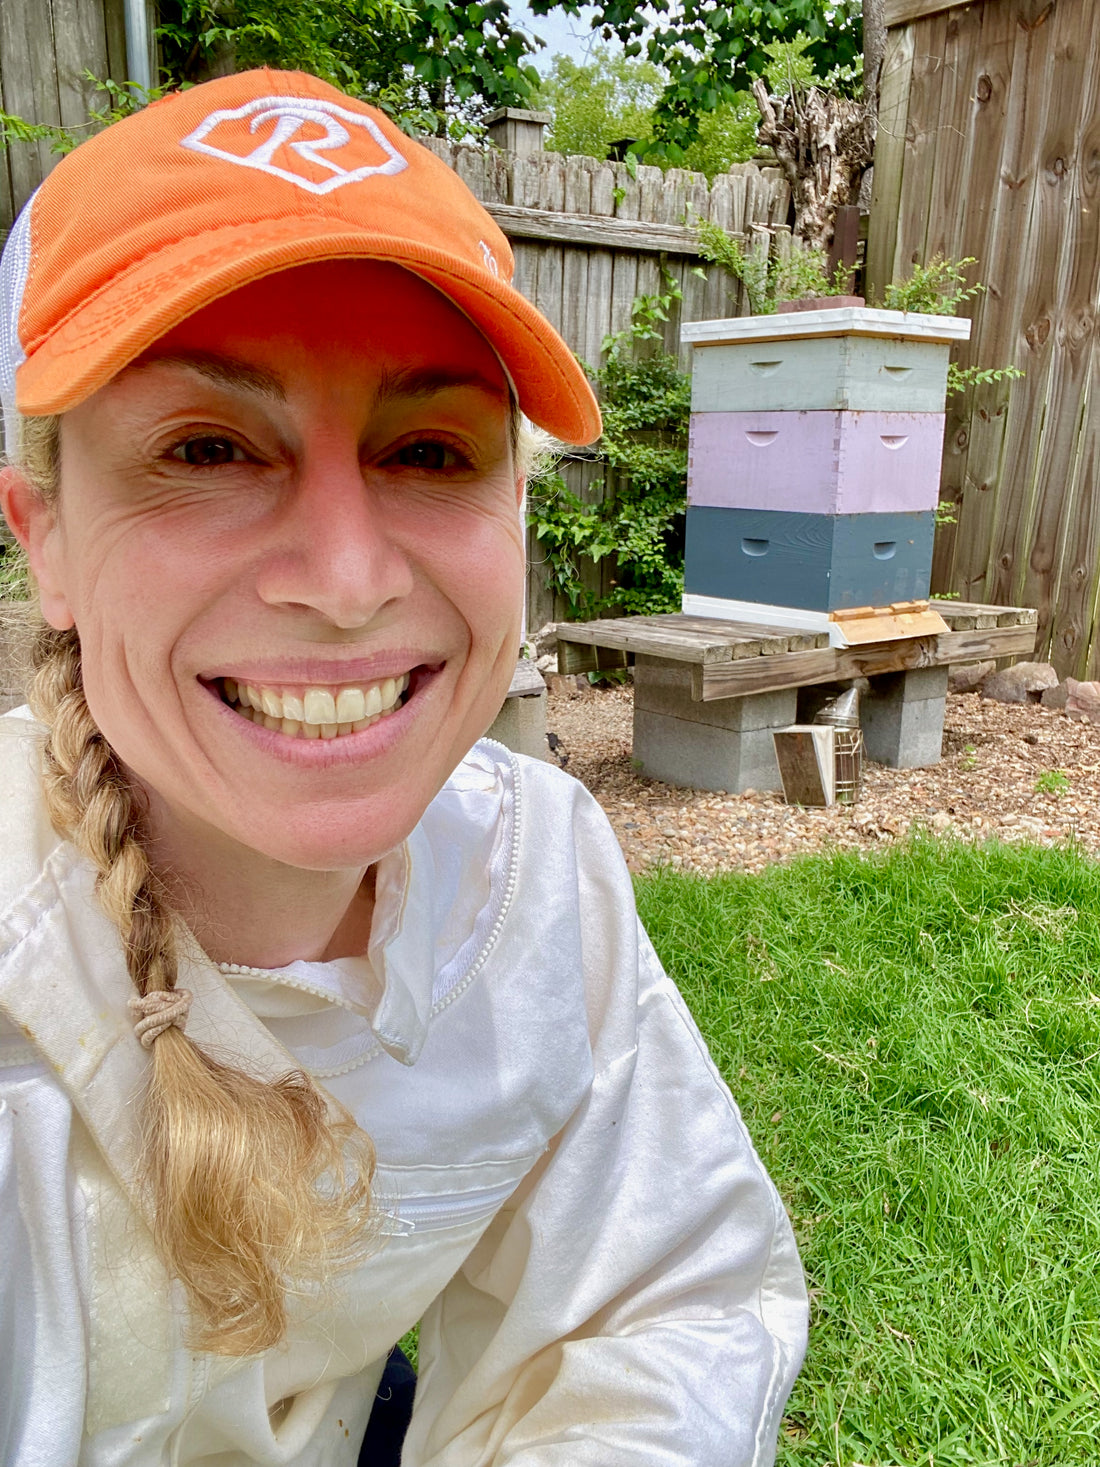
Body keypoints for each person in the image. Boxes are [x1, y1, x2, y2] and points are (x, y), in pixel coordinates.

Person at [0, 67, 807, 1466]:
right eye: (207, 447)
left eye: (428, 450)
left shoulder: (537, 867)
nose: (349, 579)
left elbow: (663, 1308)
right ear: (44, 536)